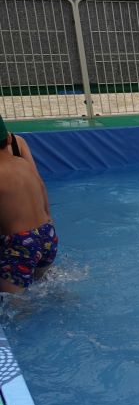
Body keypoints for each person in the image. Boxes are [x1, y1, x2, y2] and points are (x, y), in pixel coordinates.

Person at [0, 116, 57, 293]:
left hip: (19, 242)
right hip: (47, 234)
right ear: (9, 139)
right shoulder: (23, 163)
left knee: (15, 306)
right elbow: (40, 185)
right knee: (45, 287)